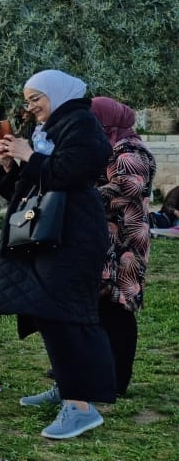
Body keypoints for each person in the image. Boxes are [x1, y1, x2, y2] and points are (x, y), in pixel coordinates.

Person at [0, 69, 114, 440]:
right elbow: (32, 182)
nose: (30, 108)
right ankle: (66, 384)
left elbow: (69, 173)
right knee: (48, 312)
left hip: (73, 233)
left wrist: (29, 155)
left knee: (68, 314)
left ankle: (80, 406)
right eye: (27, 100)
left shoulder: (81, 124)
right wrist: (11, 164)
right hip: (49, 233)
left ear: (56, 94)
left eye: (35, 98)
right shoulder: (50, 130)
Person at [91, 97, 155, 399]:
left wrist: (78, 193)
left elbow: (126, 189)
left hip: (126, 245)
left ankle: (118, 379)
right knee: (103, 308)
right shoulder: (113, 148)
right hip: (112, 240)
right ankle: (102, 371)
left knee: (118, 309)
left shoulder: (130, 151)